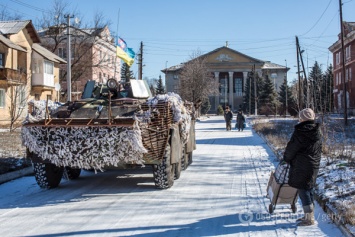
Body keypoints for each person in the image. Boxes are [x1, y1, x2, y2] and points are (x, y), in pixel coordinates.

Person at [283, 108, 322, 226]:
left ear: (302, 118)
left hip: (301, 165)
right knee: (309, 188)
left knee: (303, 190)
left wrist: (286, 158)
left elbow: (292, 148)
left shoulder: (300, 131)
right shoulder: (317, 131)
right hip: (313, 164)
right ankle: (309, 216)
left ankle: (309, 219)